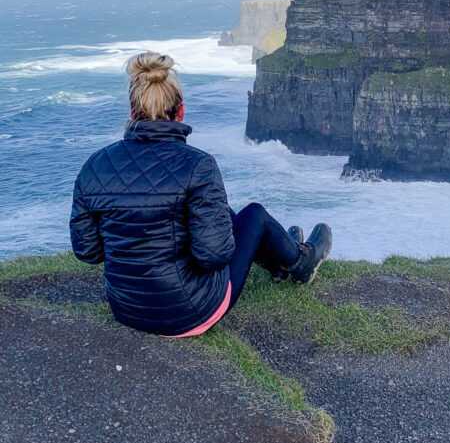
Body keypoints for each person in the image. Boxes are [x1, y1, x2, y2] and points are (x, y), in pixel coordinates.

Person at [69, 51, 332, 337]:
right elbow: (213, 256)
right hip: (191, 311)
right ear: (180, 111)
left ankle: (280, 262)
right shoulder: (198, 165)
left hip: (126, 310)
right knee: (254, 215)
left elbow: (88, 252)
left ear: (132, 114)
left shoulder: (95, 166)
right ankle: (300, 264)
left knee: (223, 213)